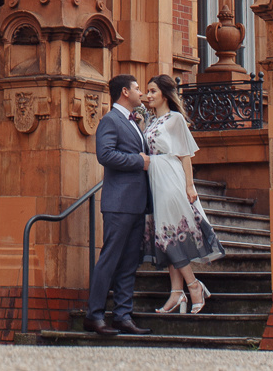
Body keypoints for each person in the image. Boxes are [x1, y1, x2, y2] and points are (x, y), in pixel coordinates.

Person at [140, 74, 223, 312]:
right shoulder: (151, 120)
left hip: (170, 177)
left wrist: (190, 186)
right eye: (147, 91)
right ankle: (177, 293)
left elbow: (186, 155)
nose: (149, 95)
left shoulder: (175, 119)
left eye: (153, 91)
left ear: (165, 94)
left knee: (169, 234)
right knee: (165, 234)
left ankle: (193, 285)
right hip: (154, 178)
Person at [83, 73, 152, 336]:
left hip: (136, 203)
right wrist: (139, 161)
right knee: (109, 260)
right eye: (137, 88)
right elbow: (105, 154)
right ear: (125, 92)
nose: (141, 92)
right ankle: (94, 315)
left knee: (129, 263)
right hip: (118, 203)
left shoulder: (134, 121)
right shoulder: (110, 120)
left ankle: (123, 316)